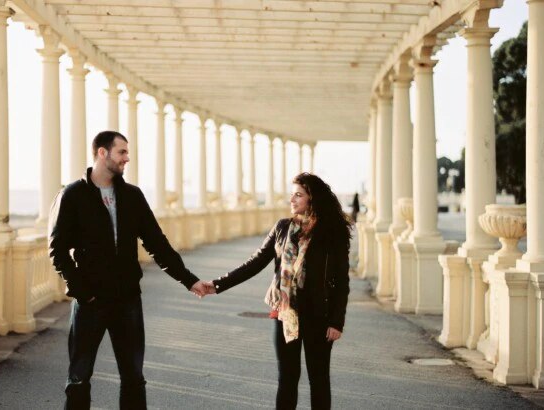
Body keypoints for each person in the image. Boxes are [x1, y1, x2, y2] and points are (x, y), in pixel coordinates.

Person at [48, 130, 210, 410]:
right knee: (79, 378)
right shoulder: (73, 195)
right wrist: (82, 292)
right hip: (91, 302)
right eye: (121, 152)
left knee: (134, 377)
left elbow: (157, 244)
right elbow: (58, 251)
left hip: (127, 299)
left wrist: (189, 280)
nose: (127, 158)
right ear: (102, 153)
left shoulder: (132, 196)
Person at [205, 172, 352, 410]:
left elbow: (342, 282)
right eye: (291, 195)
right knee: (287, 379)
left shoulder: (331, 233)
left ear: (312, 199)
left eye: (298, 195)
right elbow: (255, 262)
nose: (291, 200)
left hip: (319, 315)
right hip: (285, 313)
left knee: (319, 379)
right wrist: (218, 284)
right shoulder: (283, 228)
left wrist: (337, 321)